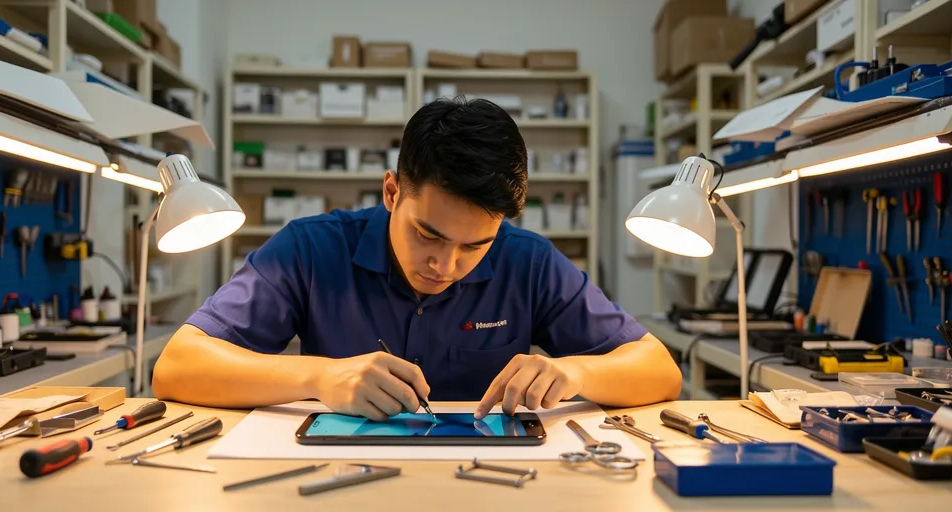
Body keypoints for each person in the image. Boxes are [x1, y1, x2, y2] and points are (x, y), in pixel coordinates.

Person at [152, 97, 681, 421]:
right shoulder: (310, 249)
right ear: (391, 192)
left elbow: (658, 369)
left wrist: (576, 373)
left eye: (475, 246)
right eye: (428, 234)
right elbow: (178, 366)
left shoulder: (530, 262)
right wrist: (317, 379)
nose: (446, 265)